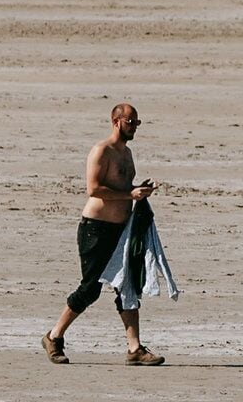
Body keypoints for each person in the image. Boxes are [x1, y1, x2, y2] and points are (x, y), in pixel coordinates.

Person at [44, 102, 164, 366]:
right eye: (130, 122)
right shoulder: (102, 150)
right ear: (116, 121)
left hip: (122, 229)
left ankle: (134, 348)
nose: (134, 127)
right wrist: (128, 194)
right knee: (90, 289)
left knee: (127, 286)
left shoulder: (128, 154)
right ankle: (54, 336)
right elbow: (94, 189)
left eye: (137, 122)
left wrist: (139, 191)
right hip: (96, 228)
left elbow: (123, 187)